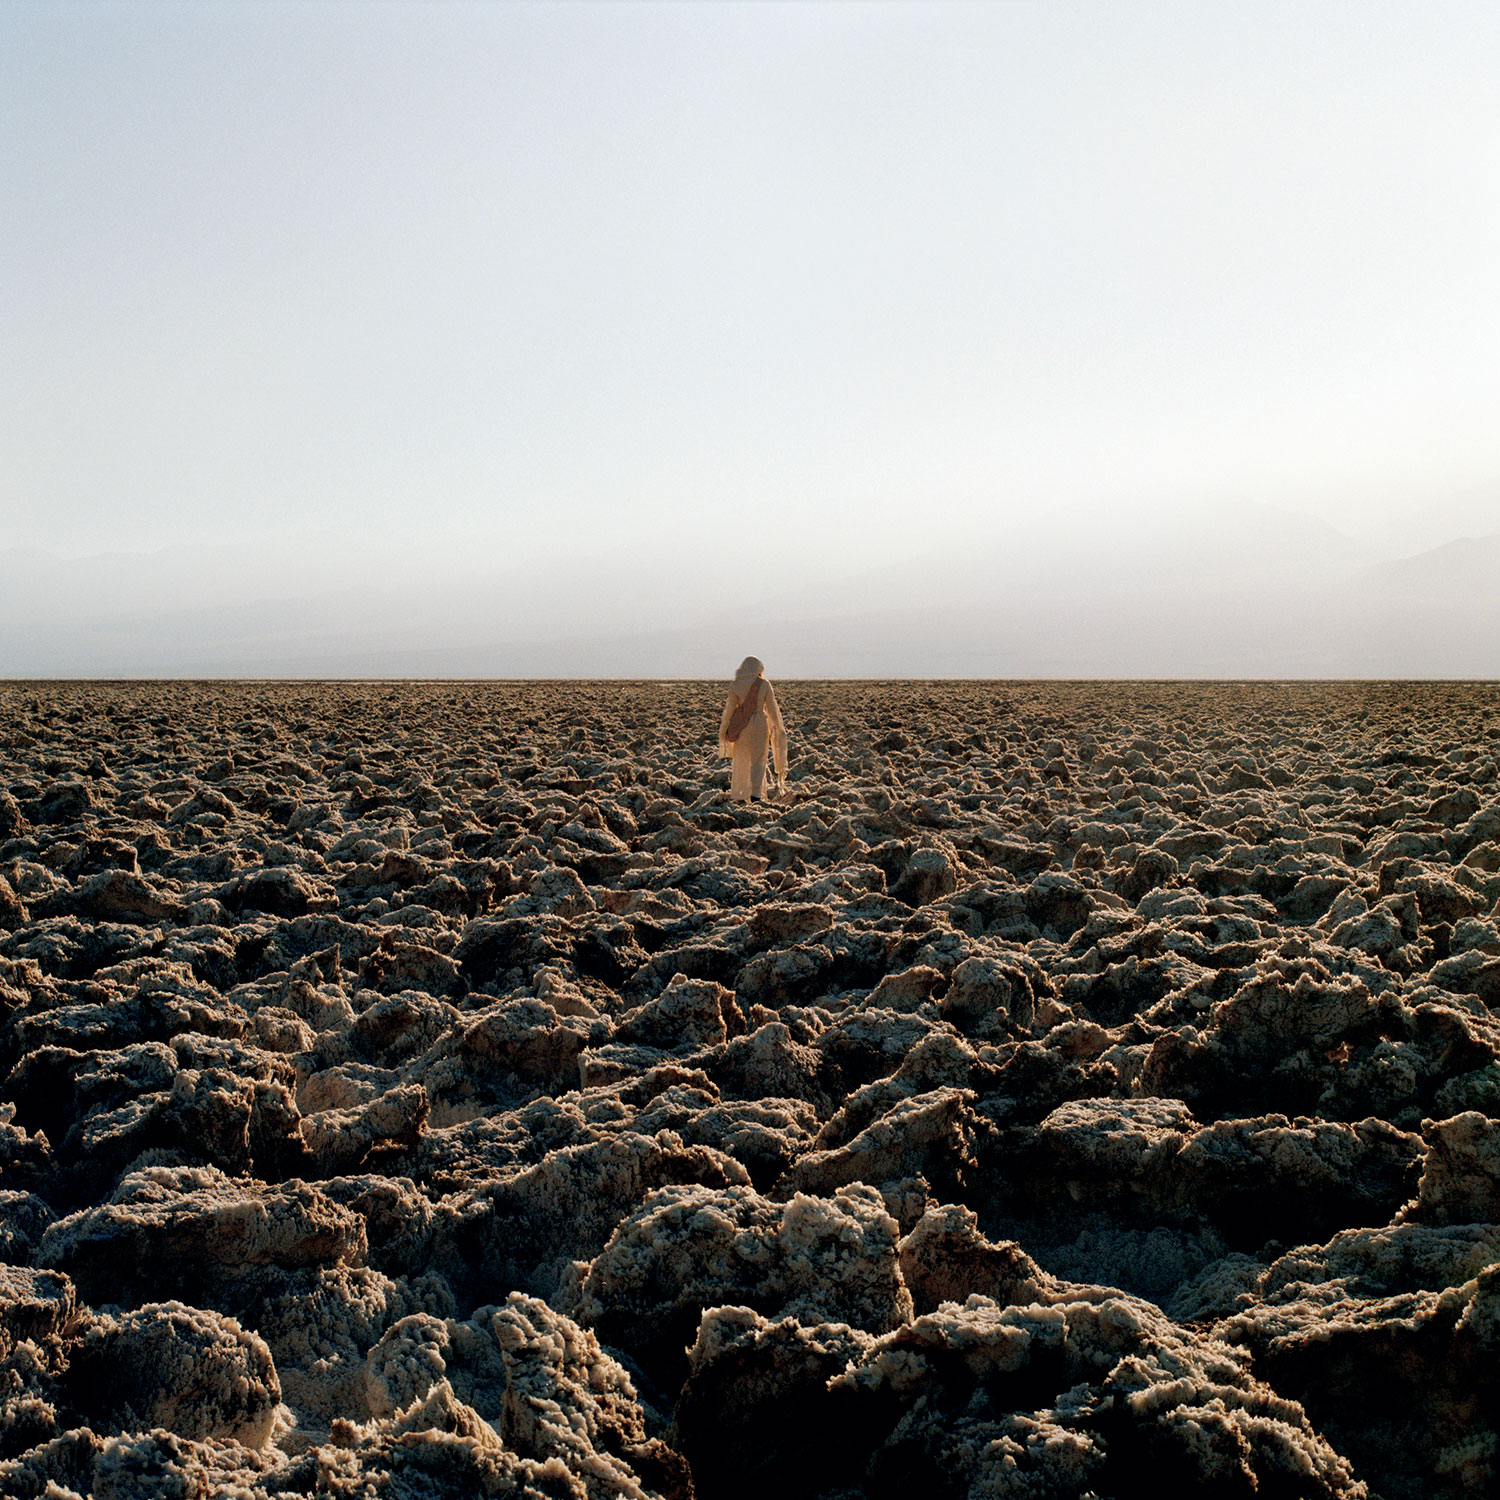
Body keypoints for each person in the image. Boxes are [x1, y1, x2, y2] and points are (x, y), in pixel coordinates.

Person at [718, 655, 788, 803]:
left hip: (742, 727)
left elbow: (729, 709)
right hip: (760, 725)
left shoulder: (736, 684)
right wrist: (779, 729)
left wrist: (725, 728)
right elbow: (772, 709)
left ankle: (741, 794)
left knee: (741, 759)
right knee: (758, 760)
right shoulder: (764, 684)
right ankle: (756, 795)